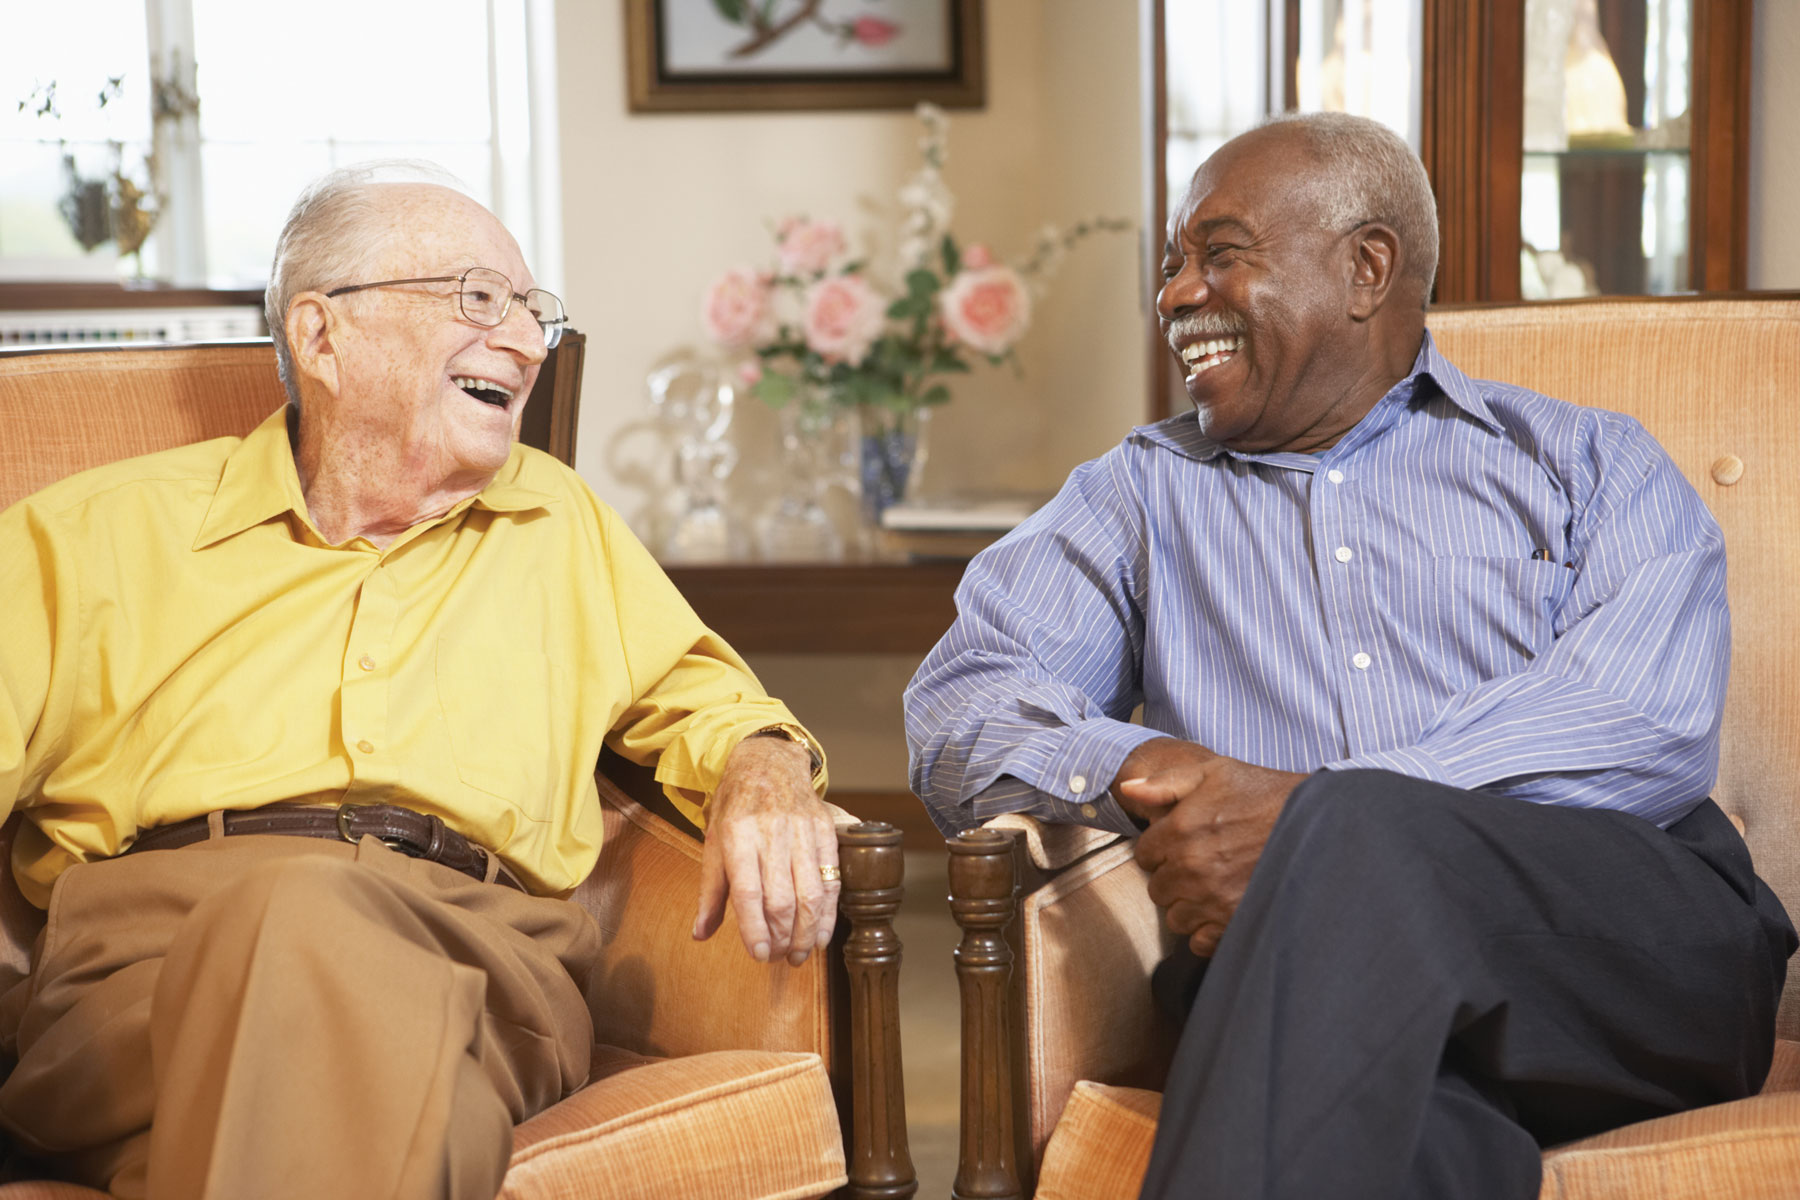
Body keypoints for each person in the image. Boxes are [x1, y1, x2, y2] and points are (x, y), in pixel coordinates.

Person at [904, 111, 1796, 1199]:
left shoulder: (1585, 461)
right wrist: (1146, 770)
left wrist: (1310, 819)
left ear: (1367, 268)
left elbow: (1638, 722)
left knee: (1351, 844)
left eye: (1219, 255)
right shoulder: (1136, 495)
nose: (1176, 295)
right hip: (1315, 975)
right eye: (1174, 266)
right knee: (1410, 1135)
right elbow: (962, 703)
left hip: (1623, 955)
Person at [0, 164, 842, 1200]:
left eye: (535, 313)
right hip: (144, 975)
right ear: (321, 337)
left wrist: (766, 768)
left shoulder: (558, 523)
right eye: (479, 299)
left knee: (297, 962)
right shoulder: (88, 537)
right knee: (351, 1028)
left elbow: (707, 700)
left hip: (483, 963)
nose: (529, 343)